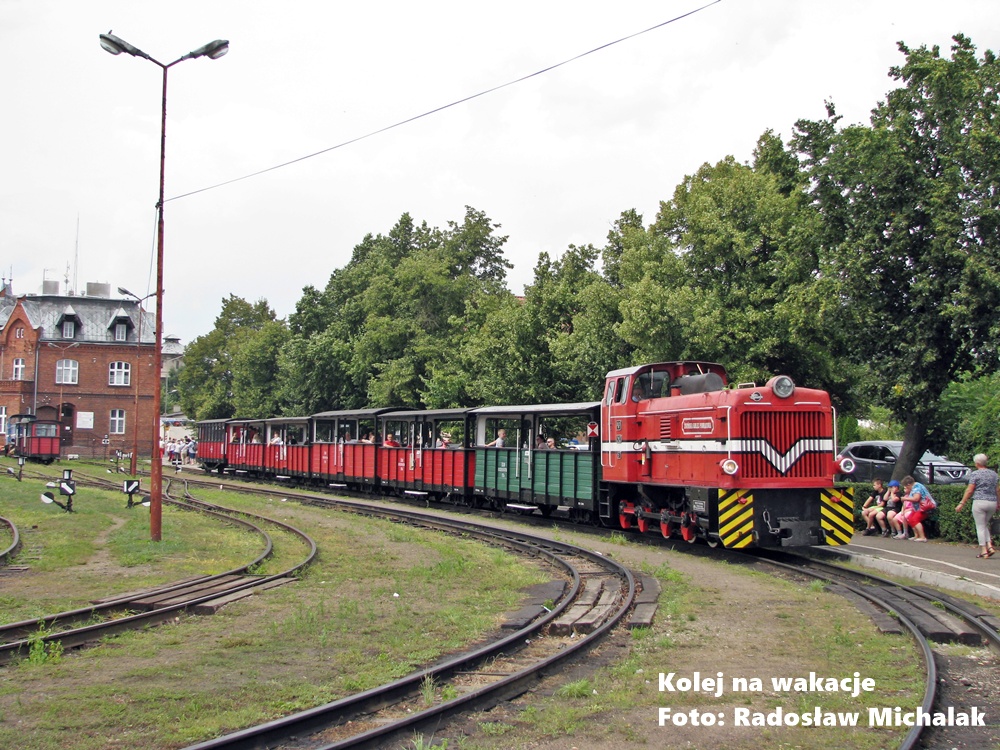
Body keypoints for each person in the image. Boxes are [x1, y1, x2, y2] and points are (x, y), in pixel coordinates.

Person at [955, 453, 1000, 558]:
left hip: (979, 502)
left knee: (980, 526)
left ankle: (984, 549)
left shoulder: (975, 474)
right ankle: (989, 546)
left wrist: (962, 502)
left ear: (977, 463)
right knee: (984, 525)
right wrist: (998, 502)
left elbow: (970, 490)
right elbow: (997, 490)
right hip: (992, 502)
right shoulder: (994, 474)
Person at [900, 475, 935, 542]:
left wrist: (905, 498)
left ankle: (922, 537)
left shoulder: (917, 488)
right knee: (910, 518)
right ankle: (917, 535)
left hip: (924, 508)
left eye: (906, 486)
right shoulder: (916, 486)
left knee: (915, 519)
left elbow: (916, 499)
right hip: (917, 508)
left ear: (909, 484)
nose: (907, 488)